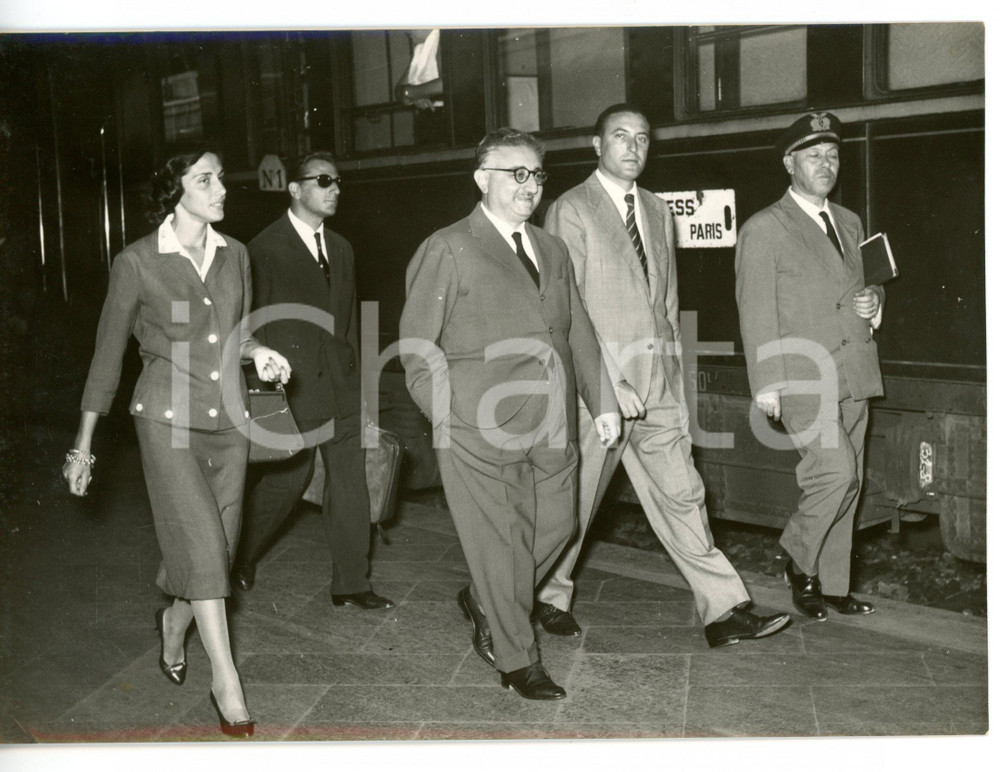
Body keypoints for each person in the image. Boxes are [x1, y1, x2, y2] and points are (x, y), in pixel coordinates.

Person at [539, 104, 791, 648]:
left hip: (658, 384)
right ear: (596, 144)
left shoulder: (656, 210)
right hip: (600, 387)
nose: (633, 147)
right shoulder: (571, 209)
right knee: (576, 499)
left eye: (642, 138)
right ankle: (540, 594)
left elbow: (666, 299)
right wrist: (607, 380)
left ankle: (724, 610)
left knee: (684, 493)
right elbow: (569, 307)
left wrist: (673, 371)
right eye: (620, 137)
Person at [62, 148, 292, 737]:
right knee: (204, 546)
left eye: (220, 178)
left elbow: (230, 337)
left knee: (215, 549)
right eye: (205, 180)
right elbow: (107, 357)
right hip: (166, 420)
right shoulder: (138, 262)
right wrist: (84, 445)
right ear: (176, 192)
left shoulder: (235, 254)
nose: (222, 190)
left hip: (228, 422)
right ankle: (226, 681)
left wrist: (258, 351)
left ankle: (174, 622)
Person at [399, 128, 620, 700]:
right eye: (516, 174)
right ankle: (517, 659)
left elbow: (579, 333)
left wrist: (603, 404)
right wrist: (449, 418)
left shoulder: (551, 249)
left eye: (537, 175)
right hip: (478, 424)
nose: (530, 186)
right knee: (501, 545)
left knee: (559, 526)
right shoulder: (448, 247)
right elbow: (418, 350)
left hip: (551, 421)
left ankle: (485, 601)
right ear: (482, 179)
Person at [735, 111, 884, 620]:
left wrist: (874, 300)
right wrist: (766, 387)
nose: (826, 164)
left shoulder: (849, 222)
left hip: (855, 368)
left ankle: (835, 585)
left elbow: (861, 286)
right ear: (789, 163)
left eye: (832, 154)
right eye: (813, 155)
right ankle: (798, 559)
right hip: (803, 377)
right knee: (834, 473)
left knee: (853, 479)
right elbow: (755, 310)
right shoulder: (764, 228)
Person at [232, 151, 393, 611]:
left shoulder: (341, 248)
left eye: (338, 181)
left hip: (339, 387)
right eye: (323, 181)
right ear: (295, 189)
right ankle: (238, 555)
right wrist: (262, 389)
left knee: (349, 482)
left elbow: (349, 325)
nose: (334, 188)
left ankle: (351, 582)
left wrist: (361, 387)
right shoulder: (262, 249)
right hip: (293, 388)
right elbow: (248, 327)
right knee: (288, 480)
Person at [394, 28, 447, 146]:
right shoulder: (420, 51)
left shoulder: (447, 42)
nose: (407, 32)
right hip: (426, 121)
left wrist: (412, 93)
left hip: (447, 120)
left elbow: (447, 84)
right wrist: (416, 95)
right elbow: (398, 90)